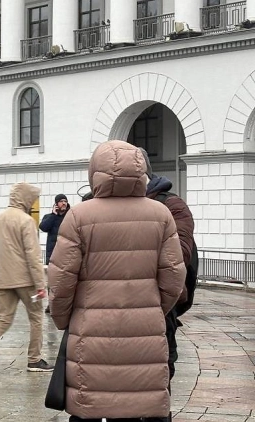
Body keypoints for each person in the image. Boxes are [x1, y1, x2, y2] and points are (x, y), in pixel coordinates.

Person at [49, 140, 186, 422]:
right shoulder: (160, 214)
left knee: (88, 407)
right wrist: (152, 310)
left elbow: (61, 280)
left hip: (90, 328)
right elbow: (174, 277)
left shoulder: (79, 216)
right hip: (144, 328)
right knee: (136, 406)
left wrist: (65, 320)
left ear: (95, 172)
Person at [0, 182, 53, 374]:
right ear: (26, 199)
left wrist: (7, 265)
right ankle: (34, 360)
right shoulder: (26, 220)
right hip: (27, 281)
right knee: (37, 317)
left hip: (4, 279)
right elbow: (33, 255)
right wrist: (40, 284)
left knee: (3, 319)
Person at [141, 148, 198, 385]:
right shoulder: (99, 204)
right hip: (115, 308)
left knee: (159, 377)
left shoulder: (172, 205)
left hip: (160, 307)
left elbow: (180, 256)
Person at [39, 193, 70, 313]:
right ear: (56, 204)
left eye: (65, 201)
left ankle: (64, 305)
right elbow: (43, 227)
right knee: (51, 281)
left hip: (66, 253)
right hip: (52, 254)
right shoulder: (49, 216)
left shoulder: (70, 216)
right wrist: (53, 215)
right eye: (61, 201)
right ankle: (51, 304)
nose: (64, 203)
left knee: (66, 280)